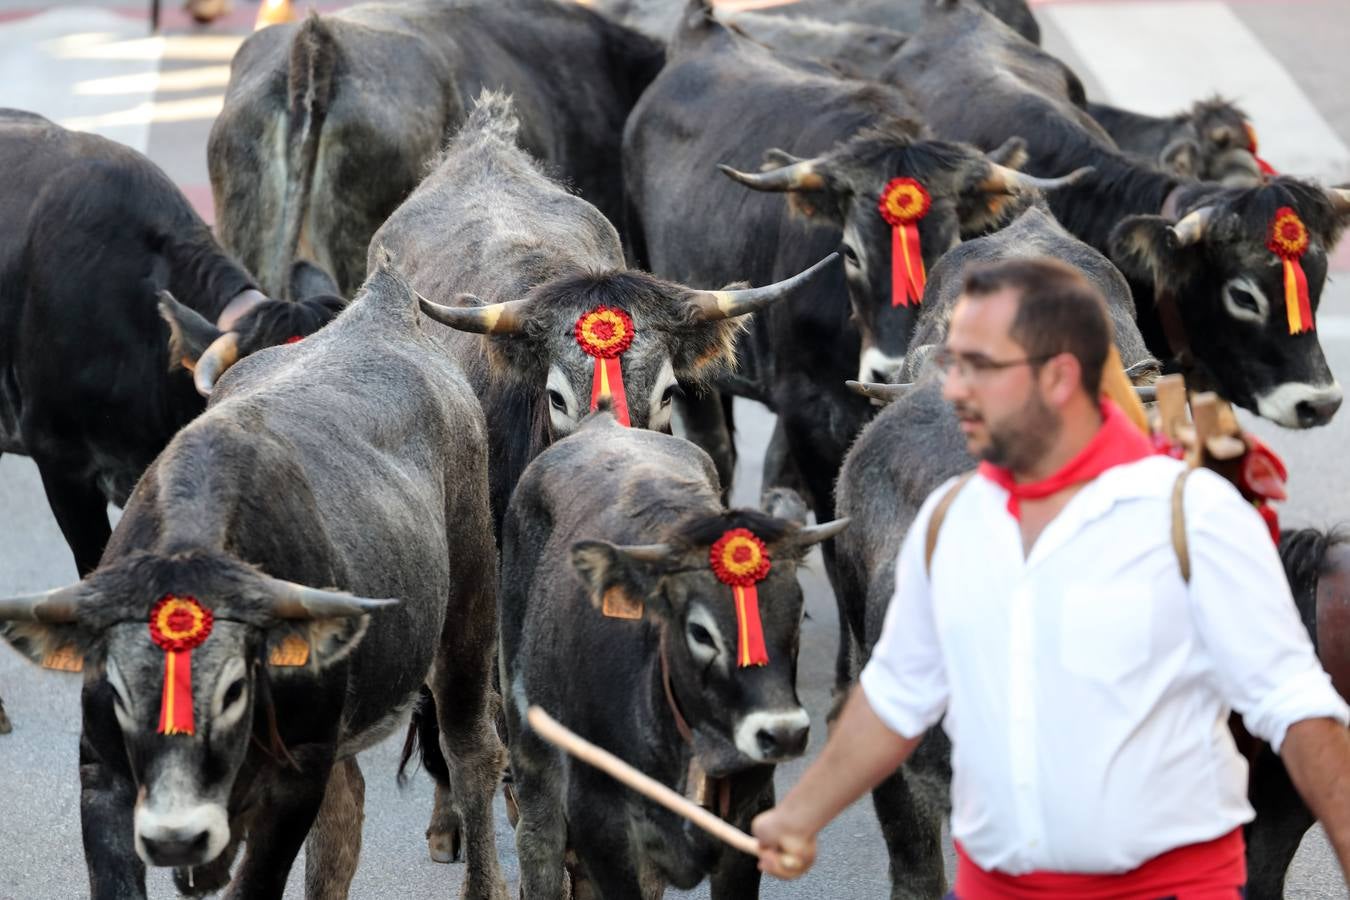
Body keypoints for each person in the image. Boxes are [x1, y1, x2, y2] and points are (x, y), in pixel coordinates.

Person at [752, 257, 1350, 897]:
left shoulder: (1192, 516)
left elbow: (1297, 711)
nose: (950, 389)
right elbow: (896, 694)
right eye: (952, 364)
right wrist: (800, 812)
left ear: (1060, 377)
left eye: (979, 367)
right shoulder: (953, 518)